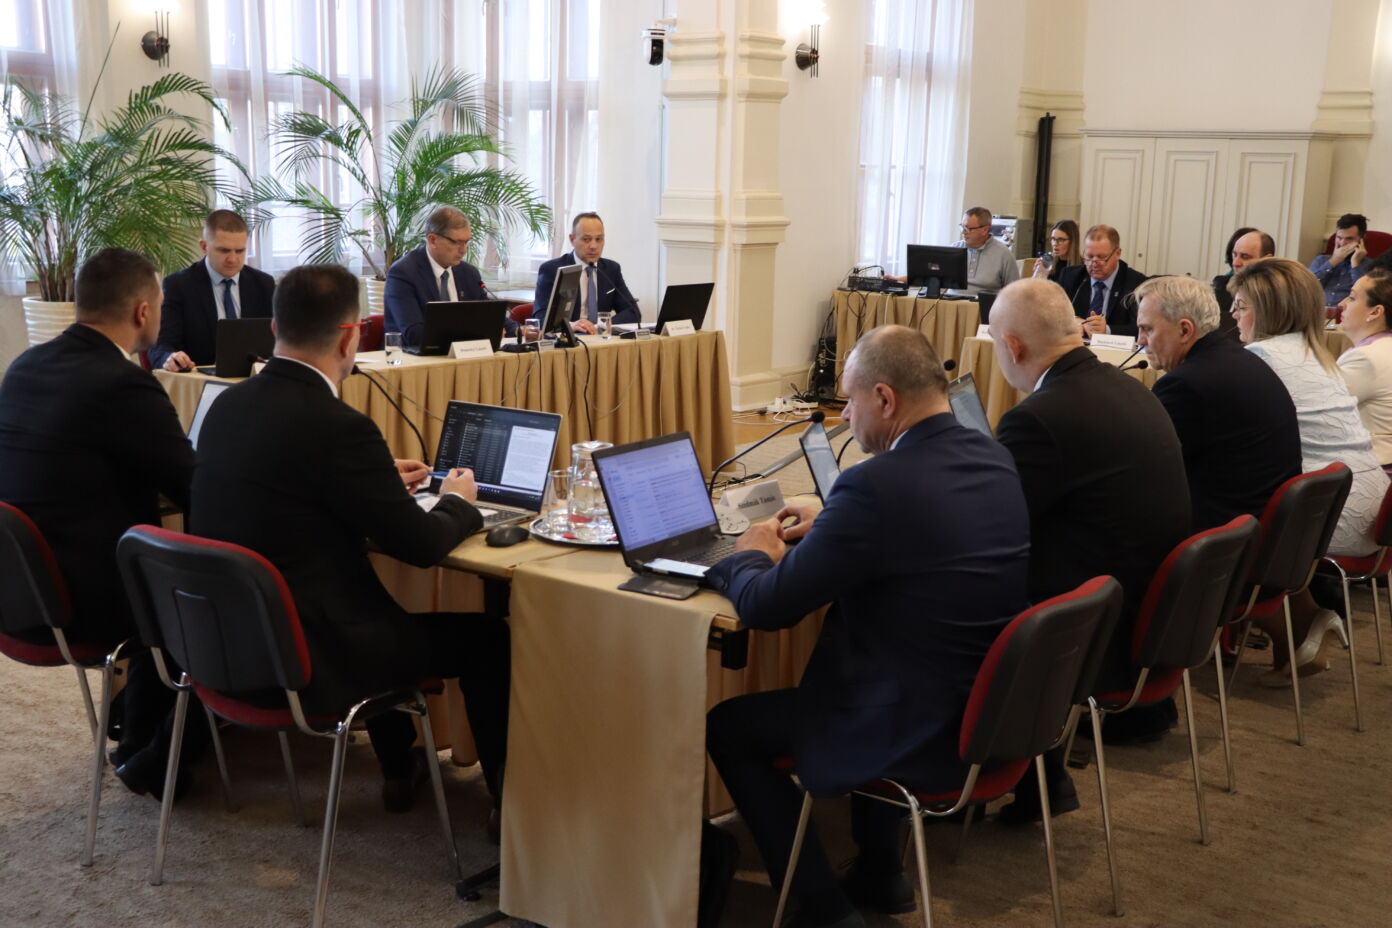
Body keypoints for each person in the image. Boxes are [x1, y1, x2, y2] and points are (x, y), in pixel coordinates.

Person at [703, 325, 1030, 927]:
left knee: (729, 727)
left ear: (884, 398)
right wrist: (835, 523)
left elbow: (767, 609)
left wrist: (748, 554)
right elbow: (918, 536)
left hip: (914, 722)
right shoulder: (993, 455)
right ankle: (883, 871)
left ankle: (824, 909)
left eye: (849, 401)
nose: (846, 416)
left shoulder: (875, 485)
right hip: (986, 706)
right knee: (875, 657)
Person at [189, 264, 511, 820]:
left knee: (370, 601)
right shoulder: (339, 426)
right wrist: (457, 500)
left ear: (275, 328)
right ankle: (507, 806)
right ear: (350, 337)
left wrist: (375, 480)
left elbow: (287, 491)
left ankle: (399, 768)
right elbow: (422, 546)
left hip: (230, 641)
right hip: (316, 654)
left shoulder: (226, 404)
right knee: (488, 639)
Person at [0, 247, 202, 799]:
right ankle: (155, 757)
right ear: (143, 311)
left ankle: (137, 734)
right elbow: (194, 485)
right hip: (85, 600)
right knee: (208, 604)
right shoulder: (124, 383)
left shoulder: (26, 365)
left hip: (22, 592)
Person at [988, 278, 1190, 810]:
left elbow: (983, 531)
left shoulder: (1039, 418)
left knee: (940, 596)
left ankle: (963, 768)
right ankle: (1040, 776)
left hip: (1092, 631)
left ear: (1012, 347)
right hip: (1143, 609)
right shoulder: (1125, 386)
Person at [1230, 258, 1390, 684]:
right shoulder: (1312, 350)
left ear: (1267, 310)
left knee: (1222, 526)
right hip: (1368, 505)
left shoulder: (1263, 357)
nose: (1233, 316)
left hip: (1334, 515)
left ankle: (1288, 629)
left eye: (1241, 306)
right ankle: (1301, 630)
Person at [1135, 275, 1301, 530]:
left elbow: (1140, 468)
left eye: (1147, 329)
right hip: (1258, 527)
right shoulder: (1241, 359)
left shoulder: (1186, 385)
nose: (1140, 340)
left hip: (1220, 536)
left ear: (1184, 330)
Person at [148, 210, 276, 372]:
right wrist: (170, 358)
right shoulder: (178, 286)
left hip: (255, 378)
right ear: (204, 246)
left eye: (240, 251)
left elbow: (279, 339)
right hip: (199, 379)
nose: (232, 259)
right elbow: (161, 345)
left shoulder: (263, 284)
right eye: (224, 250)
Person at [384, 206, 500, 345]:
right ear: (432, 240)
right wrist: (469, 335)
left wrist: (515, 329)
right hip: (410, 355)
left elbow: (488, 314)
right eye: (457, 242)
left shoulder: (468, 273)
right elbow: (414, 333)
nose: (464, 250)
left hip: (463, 353)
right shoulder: (404, 273)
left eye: (466, 242)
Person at [533, 211, 640, 333]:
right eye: (586, 239)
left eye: (599, 239)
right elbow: (541, 319)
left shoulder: (611, 269)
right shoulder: (552, 270)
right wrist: (570, 326)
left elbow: (633, 312)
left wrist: (603, 325)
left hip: (601, 338)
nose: (594, 246)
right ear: (572, 239)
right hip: (569, 339)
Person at [1338, 270, 1392, 474]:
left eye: (1352, 298)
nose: (1342, 304)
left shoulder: (1366, 358)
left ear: (1375, 312)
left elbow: (1321, 409)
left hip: (1373, 470)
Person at [1054, 224, 1148, 337]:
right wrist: (1074, 319)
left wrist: (1107, 330)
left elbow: (1140, 327)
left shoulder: (1136, 282)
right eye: (1089, 256)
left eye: (1101, 257)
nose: (1094, 263)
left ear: (1117, 253)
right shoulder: (1070, 276)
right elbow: (1053, 313)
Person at [1212, 228, 1275, 335]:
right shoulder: (1222, 285)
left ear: (1266, 260)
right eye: (1234, 255)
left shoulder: (1277, 297)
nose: (1235, 263)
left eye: (1245, 257)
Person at [1309, 213, 1377, 307]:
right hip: (1317, 311)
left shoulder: (1371, 266)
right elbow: (1307, 287)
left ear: (1362, 239)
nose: (1342, 243)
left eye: (1349, 239)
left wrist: (1355, 265)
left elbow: (1365, 297)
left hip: (1347, 314)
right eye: (1339, 238)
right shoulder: (1320, 260)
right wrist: (1333, 261)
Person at [951, 206, 1019, 292]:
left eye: (968, 228)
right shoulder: (954, 249)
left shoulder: (1004, 255)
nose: (963, 232)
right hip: (951, 299)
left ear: (985, 230)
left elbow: (1014, 291)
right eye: (962, 227)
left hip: (983, 300)